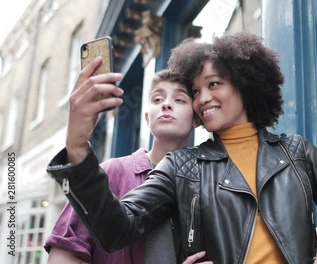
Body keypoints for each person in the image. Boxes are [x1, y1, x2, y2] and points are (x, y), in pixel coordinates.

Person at [47, 32, 317, 263]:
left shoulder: (295, 150)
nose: (202, 99)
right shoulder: (182, 165)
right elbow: (118, 227)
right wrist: (77, 146)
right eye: (196, 90)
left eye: (214, 84)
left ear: (245, 85)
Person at [44, 64, 203, 263]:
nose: (166, 104)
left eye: (179, 99)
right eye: (157, 99)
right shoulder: (110, 172)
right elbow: (62, 255)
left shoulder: (205, 184)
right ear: (147, 119)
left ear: (196, 119)